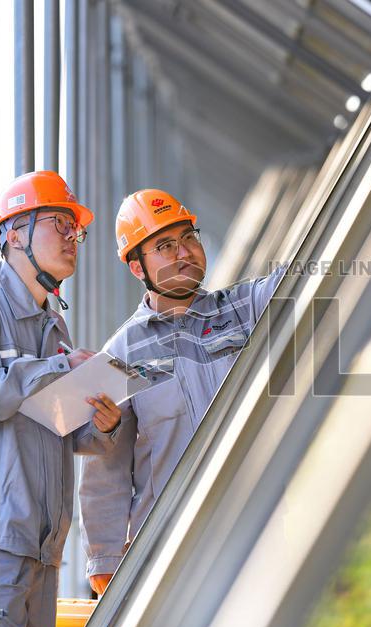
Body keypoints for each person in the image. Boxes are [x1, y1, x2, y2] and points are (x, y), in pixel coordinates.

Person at [0, 171, 123, 627]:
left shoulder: (54, 324)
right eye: (58, 223)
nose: (72, 237)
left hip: (43, 544)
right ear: (14, 232)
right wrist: (61, 366)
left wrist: (102, 426)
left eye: (77, 229)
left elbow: (51, 422)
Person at [78, 188, 285, 595]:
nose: (184, 253)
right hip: (171, 545)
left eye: (189, 237)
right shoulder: (120, 354)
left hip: (253, 521)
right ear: (137, 268)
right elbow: (106, 468)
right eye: (165, 246)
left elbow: (296, 278)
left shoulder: (243, 310)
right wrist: (103, 560)